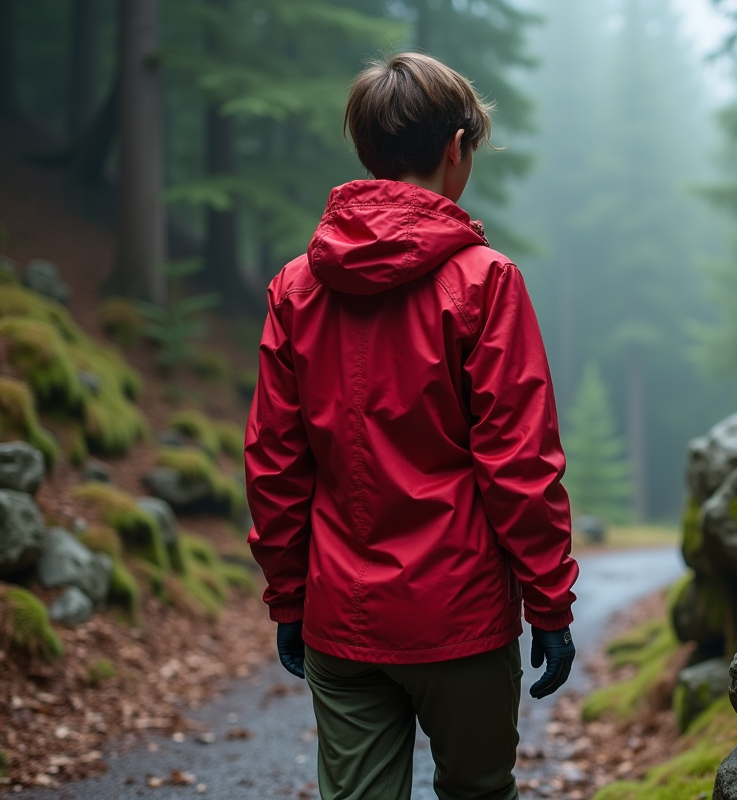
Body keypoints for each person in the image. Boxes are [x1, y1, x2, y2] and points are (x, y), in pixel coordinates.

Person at [244, 52, 579, 800]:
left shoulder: (296, 288)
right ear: (455, 148)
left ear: (367, 151)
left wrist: (289, 596)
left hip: (341, 617)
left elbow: (274, 461)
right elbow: (519, 465)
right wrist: (551, 603)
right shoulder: (486, 282)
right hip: (461, 620)